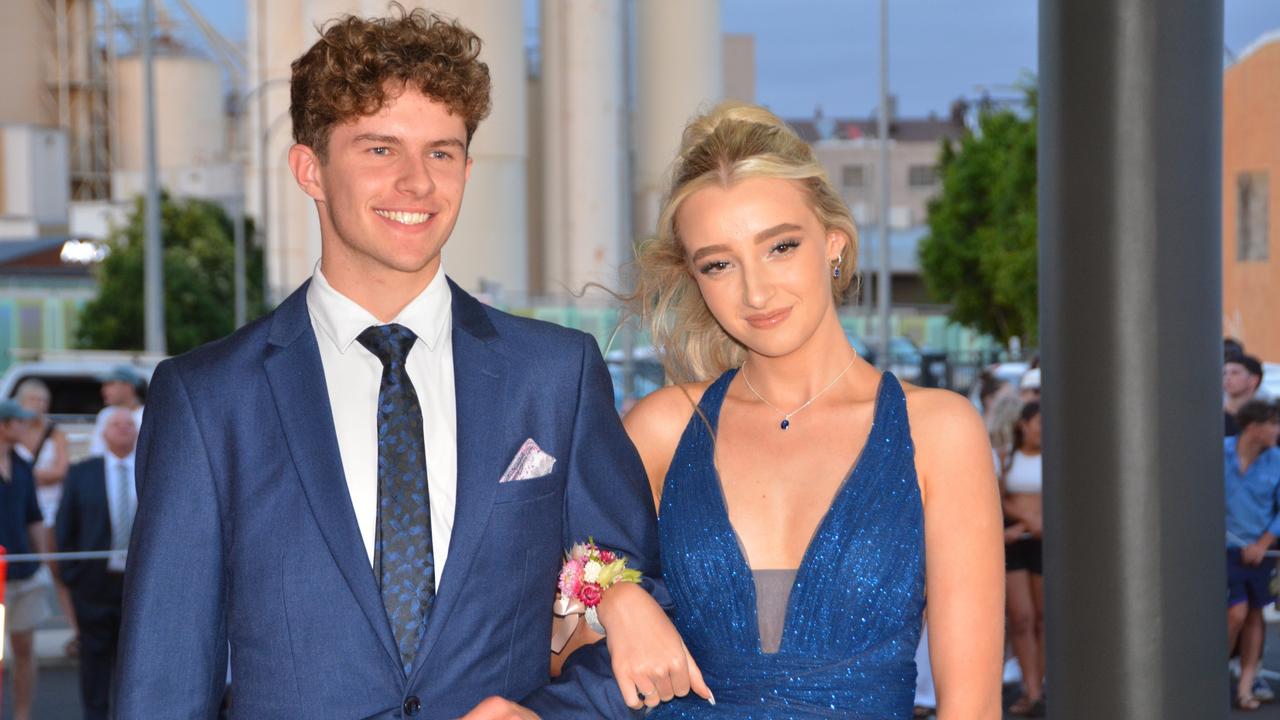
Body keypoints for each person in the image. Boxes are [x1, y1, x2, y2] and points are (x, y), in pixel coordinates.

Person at [116, 8, 667, 719]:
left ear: (467, 167)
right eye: (380, 150)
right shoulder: (208, 399)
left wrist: (549, 716)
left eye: (441, 152)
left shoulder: (555, 375)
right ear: (309, 169)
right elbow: (162, 681)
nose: (416, 183)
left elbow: (638, 597)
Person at [573, 102, 1004, 718]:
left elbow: (973, 707)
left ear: (833, 242)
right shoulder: (664, 430)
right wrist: (609, 603)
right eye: (718, 263)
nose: (755, 291)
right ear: (695, 279)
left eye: (779, 246)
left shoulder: (937, 431)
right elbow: (564, 659)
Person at [56, 408, 139, 720]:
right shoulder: (83, 472)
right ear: (103, 432)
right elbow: (66, 526)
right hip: (93, 583)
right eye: (116, 424)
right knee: (93, 662)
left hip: (138, 584)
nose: (123, 429)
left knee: (132, 662)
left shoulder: (151, 470)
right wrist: (72, 575)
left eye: (129, 424)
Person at [13, 378, 80, 656]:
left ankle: (77, 630)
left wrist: (27, 478)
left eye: (43, 401)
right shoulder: (13, 431)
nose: (38, 406)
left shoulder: (55, 432)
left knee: (56, 570)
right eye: (33, 400)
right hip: (21, 511)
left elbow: (62, 471)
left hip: (51, 512)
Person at [1224, 400, 1280, 711]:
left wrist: (1263, 543)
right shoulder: (1218, 452)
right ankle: (1212, 676)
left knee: (1255, 613)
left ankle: (1245, 685)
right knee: (1236, 614)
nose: (1276, 430)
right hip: (1222, 550)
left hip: (1261, 553)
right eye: (1271, 423)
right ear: (1252, 426)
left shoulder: (1277, 460)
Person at [0, 399, 51, 720]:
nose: (24, 426)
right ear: (3, 425)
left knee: (24, 650)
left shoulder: (22, 463)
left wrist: (44, 560)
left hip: (25, 573)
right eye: (18, 422)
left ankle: (21, 715)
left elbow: (34, 516)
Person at [999, 401, 1045, 717]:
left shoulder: (1055, 457)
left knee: (1043, 618)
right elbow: (998, 496)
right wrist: (1026, 521)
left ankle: (1038, 686)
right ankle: (1029, 688)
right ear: (1023, 425)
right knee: (1021, 618)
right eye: (1038, 423)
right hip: (1016, 539)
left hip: (1043, 542)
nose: (1042, 430)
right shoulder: (1007, 459)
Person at [87, 366, 145, 457]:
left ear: (128, 386)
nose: (103, 390)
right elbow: (97, 452)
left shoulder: (147, 415)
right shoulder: (105, 414)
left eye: (110, 384)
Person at [1225, 355, 1264, 437]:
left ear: (1253, 380)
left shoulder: (1267, 421)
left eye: (1235, 373)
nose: (1227, 378)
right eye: (1224, 373)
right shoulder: (1213, 418)